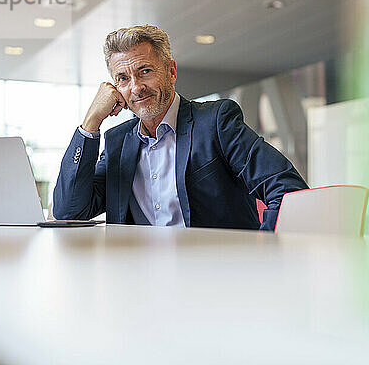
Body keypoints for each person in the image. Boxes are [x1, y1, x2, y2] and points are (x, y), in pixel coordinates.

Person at [53, 25, 308, 231]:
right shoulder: (118, 141)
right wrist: (91, 123)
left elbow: (289, 192)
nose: (136, 87)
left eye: (145, 71)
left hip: (216, 278)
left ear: (171, 71)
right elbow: (70, 211)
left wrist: (260, 251)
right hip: (139, 279)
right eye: (123, 79)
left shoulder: (216, 122)